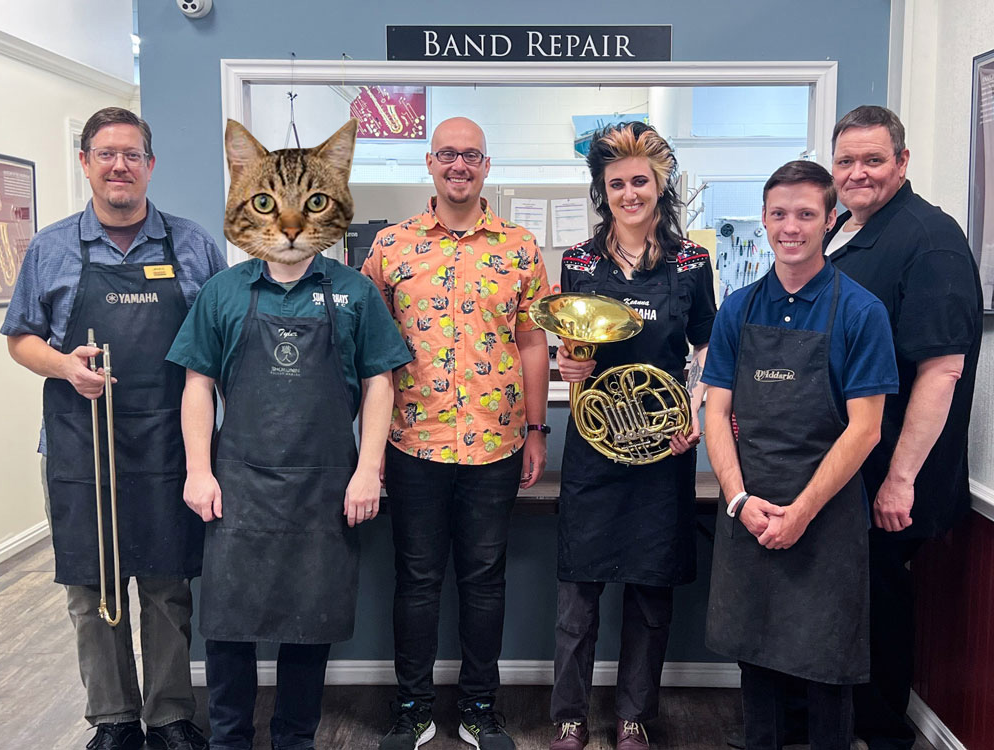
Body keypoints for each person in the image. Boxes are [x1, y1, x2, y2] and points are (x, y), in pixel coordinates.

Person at [166, 118, 411, 750]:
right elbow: (197, 385)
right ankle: (228, 741)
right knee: (226, 627)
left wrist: (368, 470)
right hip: (238, 485)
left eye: (315, 203)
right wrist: (198, 470)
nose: (293, 224)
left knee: (310, 625)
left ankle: (295, 740)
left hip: (327, 484)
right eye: (272, 204)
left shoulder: (357, 292)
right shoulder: (222, 292)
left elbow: (381, 384)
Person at [0, 107, 225, 750]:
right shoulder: (49, 247)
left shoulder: (190, 245)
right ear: (86, 164)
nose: (119, 165)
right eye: (105, 154)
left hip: (167, 444)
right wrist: (64, 366)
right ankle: (115, 720)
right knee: (90, 587)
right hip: (79, 442)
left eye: (131, 154)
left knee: (164, 584)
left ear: (149, 165)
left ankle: (170, 716)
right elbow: (20, 339)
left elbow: (215, 340)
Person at [361, 116, 550, 750]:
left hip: (495, 443)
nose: (459, 165)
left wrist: (536, 429)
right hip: (412, 441)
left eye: (471, 155)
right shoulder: (390, 247)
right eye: (448, 154)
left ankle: (478, 708)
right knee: (414, 580)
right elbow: (371, 355)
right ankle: (412, 708)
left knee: (484, 579)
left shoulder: (520, 247)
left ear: (487, 165)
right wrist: (369, 446)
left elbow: (530, 341)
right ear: (430, 162)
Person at [703, 160, 899, 750]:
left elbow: (865, 430)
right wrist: (740, 501)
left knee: (826, 668)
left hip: (828, 516)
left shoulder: (862, 312)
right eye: (780, 214)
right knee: (754, 657)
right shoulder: (737, 309)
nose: (792, 227)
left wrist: (804, 511)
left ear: (831, 221)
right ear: (764, 220)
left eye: (807, 215)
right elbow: (715, 412)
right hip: (751, 507)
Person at [548, 122, 716, 750]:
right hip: (596, 446)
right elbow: (573, 347)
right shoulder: (579, 262)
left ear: (660, 184)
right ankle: (569, 715)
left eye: (639, 180)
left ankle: (633, 716)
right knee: (578, 592)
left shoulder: (693, 261)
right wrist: (569, 368)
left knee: (649, 591)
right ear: (602, 190)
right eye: (616, 183)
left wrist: (693, 409)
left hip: (662, 447)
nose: (629, 192)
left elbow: (707, 345)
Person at [825, 106, 984, 750]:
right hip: (842, 465)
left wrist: (899, 479)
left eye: (873, 160)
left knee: (880, 604)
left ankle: (883, 733)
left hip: (891, 472)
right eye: (846, 162)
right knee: (847, 602)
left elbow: (941, 370)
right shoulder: (847, 229)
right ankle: (836, 722)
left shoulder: (929, 239)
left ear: (903, 162)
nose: (857, 173)